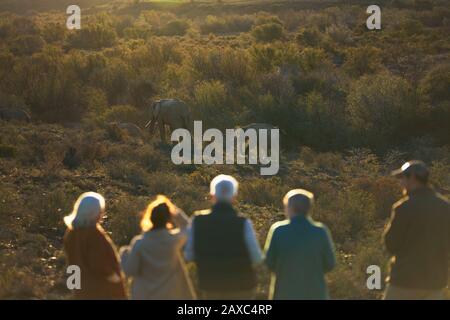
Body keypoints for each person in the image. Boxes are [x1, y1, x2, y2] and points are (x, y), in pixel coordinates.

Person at [184, 174, 263, 299]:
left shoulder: (198, 221)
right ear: (234, 197)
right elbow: (256, 257)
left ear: (212, 195)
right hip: (242, 286)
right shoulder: (243, 222)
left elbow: (189, 255)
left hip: (211, 285)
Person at [383, 160, 450, 300]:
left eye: (403, 178)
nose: (401, 182)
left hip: (404, 282)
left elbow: (390, 244)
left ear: (412, 178)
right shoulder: (445, 207)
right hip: (435, 283)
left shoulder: (403, 207)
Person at [264, 189, 336, 300]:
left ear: (290, 208)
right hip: (315, 293)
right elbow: (330, 264)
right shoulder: (320, 231)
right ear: (309, 209)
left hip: (284, 293)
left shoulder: (278, 230)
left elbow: (269, 262)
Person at [120, 195, 196, 300]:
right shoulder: (173, 240)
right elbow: (187, 227)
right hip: (169, 295)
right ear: (168, 219)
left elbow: (130, 270)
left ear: (150, 217)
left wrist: (124, 253)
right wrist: (173, 210)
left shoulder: (140, 244)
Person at [63, 192, 127, 300]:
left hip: (81, 290)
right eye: (100, 211)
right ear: (94, 213)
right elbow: (98, 263)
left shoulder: (71, 233)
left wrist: (74, 288)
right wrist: (114, 277)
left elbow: (72, 264)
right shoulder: (93, 234)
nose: (101, 214)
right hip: (101, 291)